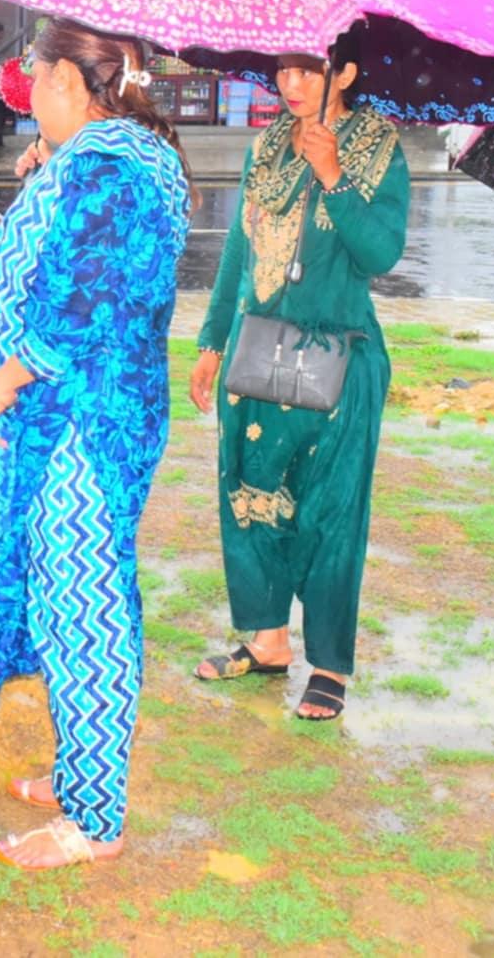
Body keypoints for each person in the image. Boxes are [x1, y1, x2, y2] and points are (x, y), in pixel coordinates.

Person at [0, 19, 191, 870]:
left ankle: (94, 818)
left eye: (33, 77)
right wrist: (54, 175)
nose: (25, 93)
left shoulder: (106, 169)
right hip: (93, 419)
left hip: (81, 425)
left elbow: (78, 310)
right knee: (67, 602)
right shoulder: (116, 158)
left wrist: (3, 383)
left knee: (84, 609)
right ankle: (76, 768)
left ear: (65, 81)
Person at [189, 47, 411, 721]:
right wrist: (211, 338)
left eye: (308, 69)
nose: (290, 83)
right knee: (251, 497)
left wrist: (334, 175)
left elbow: (383, 253)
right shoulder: (267, 145)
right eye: (282, 69)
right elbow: (240, 245)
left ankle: (331, 664)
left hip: (338, 359)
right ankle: (268, 639)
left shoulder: (378, 148)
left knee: (330, 514)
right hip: (260, 355)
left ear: (344, 72)